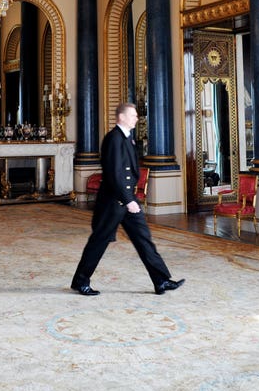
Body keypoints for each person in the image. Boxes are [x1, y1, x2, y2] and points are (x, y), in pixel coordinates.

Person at [71, 102, 184, 296]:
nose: (137, 118)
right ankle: (80, 282)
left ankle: (161, 280)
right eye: (133, 115)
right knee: (99, 241)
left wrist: (130, 198)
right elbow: (114, 173)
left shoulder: (127, 138)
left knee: (143, 239)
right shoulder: (113, 138)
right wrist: (128, 200)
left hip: (127, 198)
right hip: (113, 202)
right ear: (122, 117)